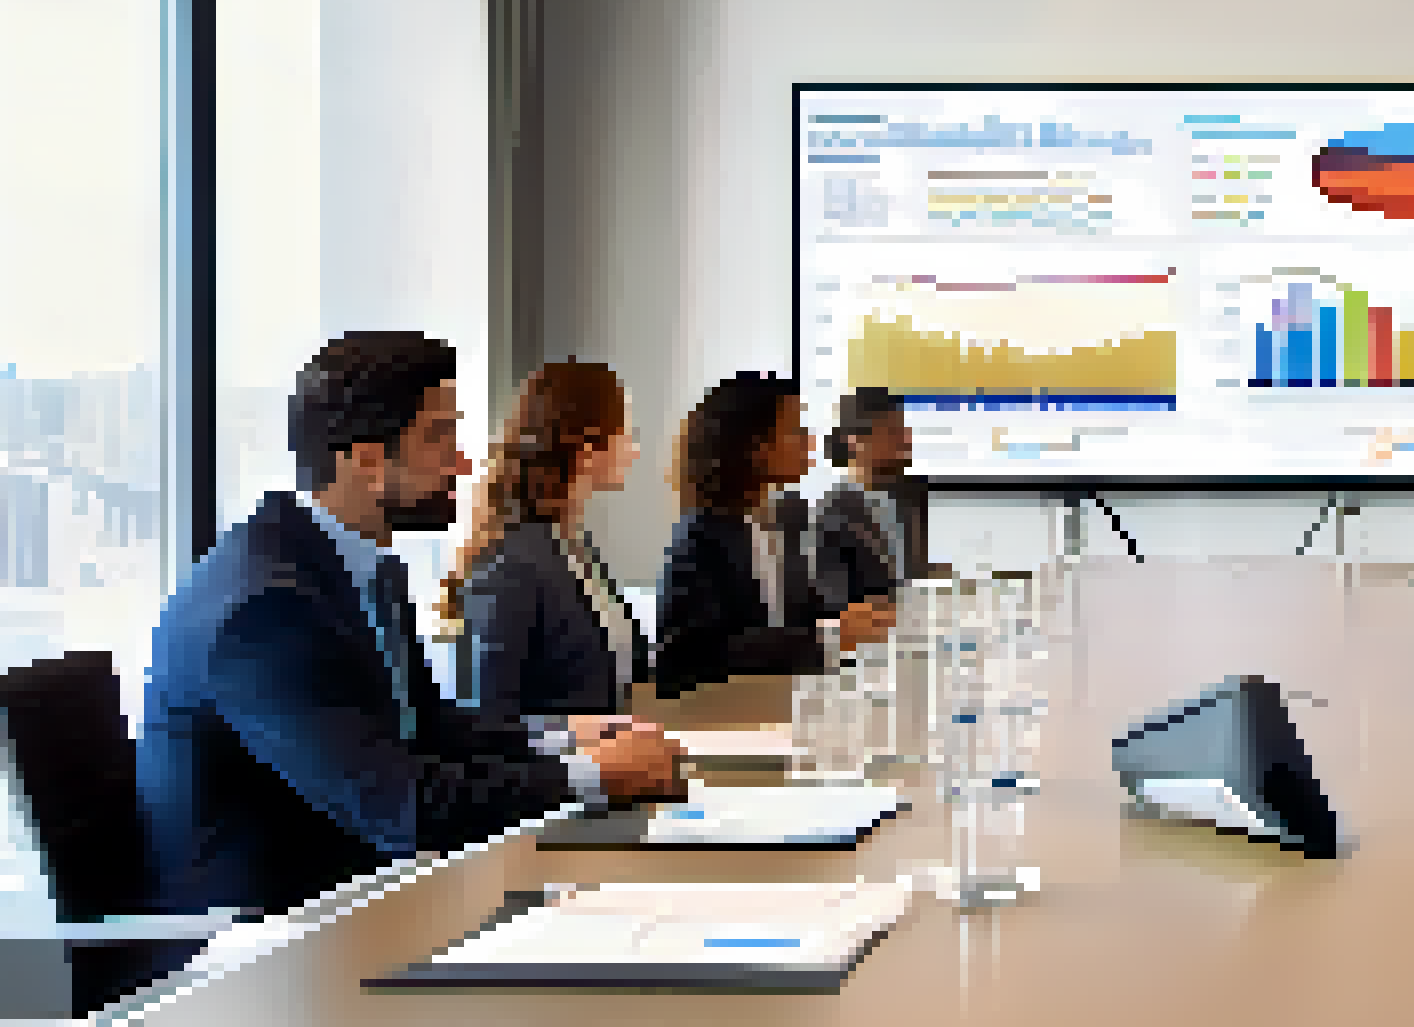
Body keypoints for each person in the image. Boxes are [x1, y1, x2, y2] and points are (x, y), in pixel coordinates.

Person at [137, 332, 683, 921]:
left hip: (363, 898)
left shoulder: (360, 572)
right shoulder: (264, 607)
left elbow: (429, 729)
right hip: (269, 945)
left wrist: (568, 737)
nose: (464, 462)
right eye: (439, 436)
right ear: (366, 461)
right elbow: (402, 806)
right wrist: (590, 775)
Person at [652, 373, 890, 698]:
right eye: (797, 430)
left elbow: (796, 629)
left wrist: (849, 623)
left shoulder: (775, 528)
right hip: (727, 719)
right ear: (757, 447)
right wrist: (830, 635)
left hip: (780, 704)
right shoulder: (699, 540)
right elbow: (691, 658)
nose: (811, 439)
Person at [442, 360, 647, 733]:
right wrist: (580, 735)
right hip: (549, 782)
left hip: (602, 772)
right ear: (587, 447)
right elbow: (486, 717)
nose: (634, 450)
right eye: (627, 434)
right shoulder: (510, 561)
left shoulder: (576, 548)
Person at [812, 386, 947, 611]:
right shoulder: (829, 517)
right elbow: (836, 607)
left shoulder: (913, 497)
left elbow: (926, 572)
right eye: (893, 432)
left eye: (905, 430)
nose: (906, 441)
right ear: (855, 441)